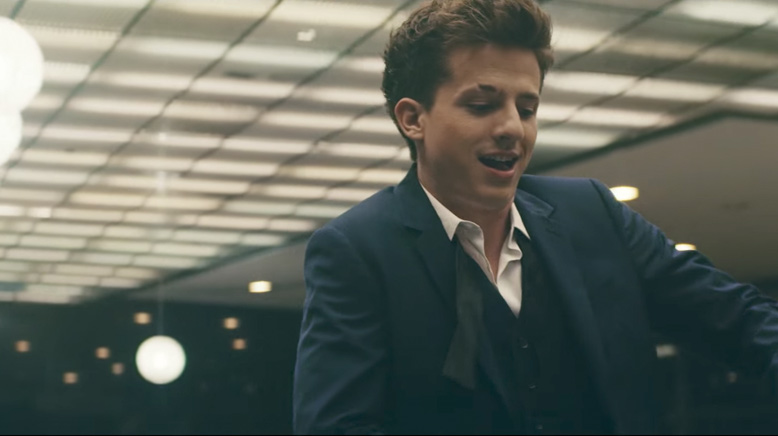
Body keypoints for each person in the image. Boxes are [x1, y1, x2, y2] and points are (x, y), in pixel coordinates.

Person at [292, 0, 778, 434]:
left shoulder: (593, 213)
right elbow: (336, 425)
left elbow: (738, 319)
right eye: (482, 105)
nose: (512, 128)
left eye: (527, 108)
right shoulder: (356, 249)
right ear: (413, 119)